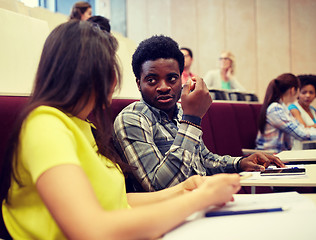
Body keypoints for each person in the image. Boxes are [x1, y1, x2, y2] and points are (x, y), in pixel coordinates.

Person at [0, 20, 243, 240]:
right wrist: (201, 198)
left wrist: (185, 190)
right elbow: (93, 230)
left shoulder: (84, 125)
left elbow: (117, 202)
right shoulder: (46, 125)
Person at [113, 35, 284, 192]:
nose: (164, 87)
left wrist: (240, 162)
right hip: (170, 216)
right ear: (138, 83)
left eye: (172, 78)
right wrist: (192, 120)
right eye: (152, 80)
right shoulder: (132, 119)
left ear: (181, 79)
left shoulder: (181, 112)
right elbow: (160, 186)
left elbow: (203, 160)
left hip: (204, 201)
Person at [256, 73, 316, 153]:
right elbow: (301, 134)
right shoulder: (276, 109)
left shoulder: (283, 108)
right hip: (271, 156)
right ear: (292, 90)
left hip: (281, 155)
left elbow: (301, 128)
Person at [288, 74, 316, 149]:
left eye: (311, 92)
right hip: (299, 148)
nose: (308, 95)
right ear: (298, 93)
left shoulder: (313, 109)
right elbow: (303, 128)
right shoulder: (293, 108)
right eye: (304, 92)